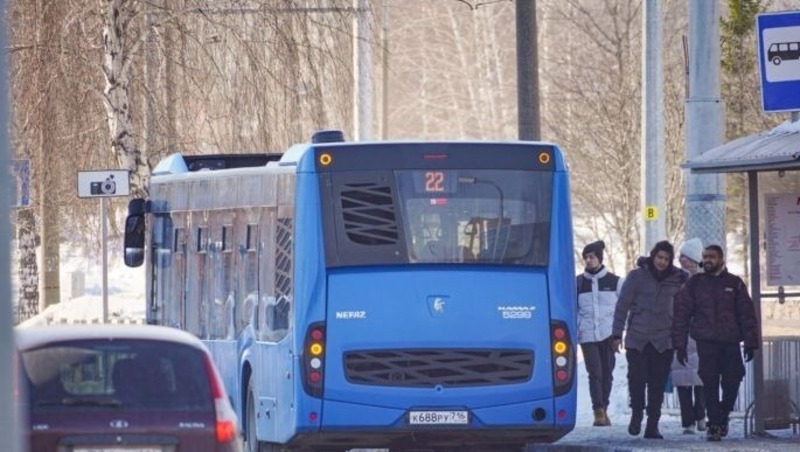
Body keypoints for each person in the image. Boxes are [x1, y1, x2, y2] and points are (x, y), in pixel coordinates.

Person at [672, 244, 759, 442]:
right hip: (706, 342)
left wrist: (751, 342)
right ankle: (714, 425)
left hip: (730, 342)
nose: (708, 260)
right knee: (709, 383)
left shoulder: (734, 283)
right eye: (705, 256)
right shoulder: (695, 284)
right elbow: (681, 314)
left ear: (721, 259)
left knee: (733, 380)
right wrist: (679, 345)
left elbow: (746, 314)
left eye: (712, 256)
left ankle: (723, 414)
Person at [612, 240, 687, 439]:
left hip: (663, 341)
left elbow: (682, 311)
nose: (662, 262)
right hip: (638, 338)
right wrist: (616, 334)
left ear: (670, 261)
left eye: (666, 259)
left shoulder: (677, 280)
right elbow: (622, 306)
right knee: (637, 379)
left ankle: (652, 424)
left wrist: (680, 341)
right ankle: (637, 414)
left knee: (657, 383)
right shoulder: (636, 277)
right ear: (653, 256)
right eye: (659, 257)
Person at [576, 240, 623, 427]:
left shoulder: (615, 281)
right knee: (594, 372)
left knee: (608, 373)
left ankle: (605, 407)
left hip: (608, 334)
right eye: (586, 257)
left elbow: (623, 308)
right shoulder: (578, 283)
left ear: (599, 258)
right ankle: (598, 411)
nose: (588, 260)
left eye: (592, 256)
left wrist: (619, 332)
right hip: (587, 335)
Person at [671, 238, 707, 434]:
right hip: (681, 335)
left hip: (699, 336)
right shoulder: (675, 280)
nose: (681, 260)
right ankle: (688, 422)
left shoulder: (705, 281)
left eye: (685, 257)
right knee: (682, 381)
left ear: (694, 259)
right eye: (680, 257)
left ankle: (701, 416)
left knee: (701, 380)